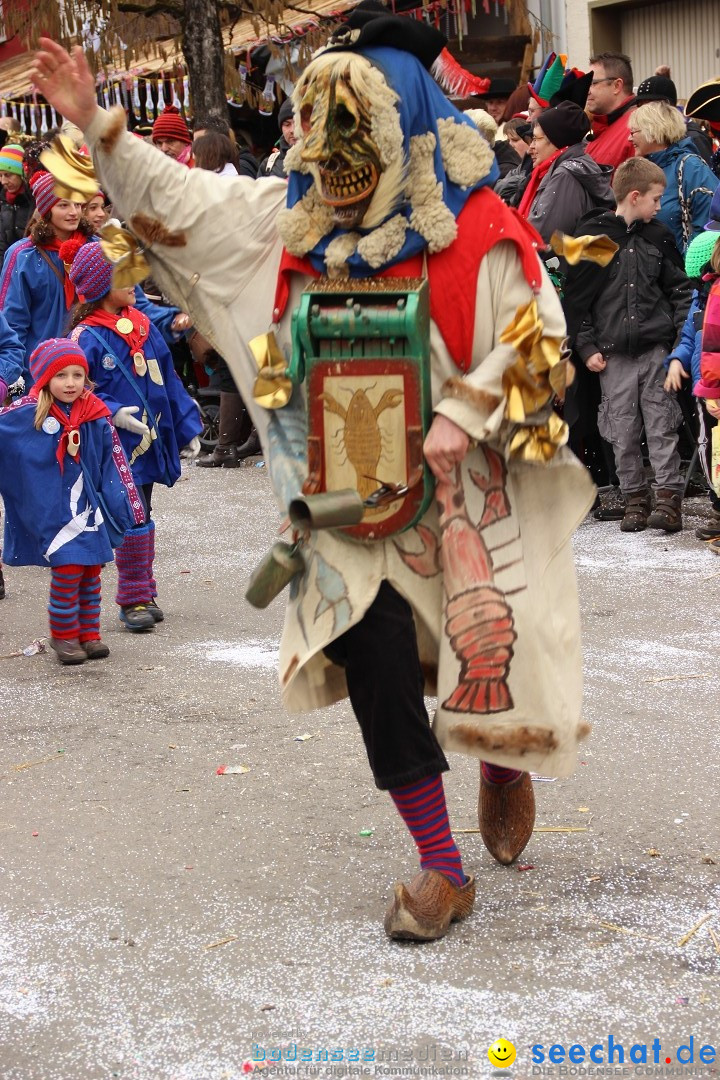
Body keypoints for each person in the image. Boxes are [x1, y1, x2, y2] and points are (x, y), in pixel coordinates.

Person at [33, 19, 594, 942]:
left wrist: (468, 408)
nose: (330, 162)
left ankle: (500, 758)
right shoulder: (280, 222)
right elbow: (182, 198)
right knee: (372, 659)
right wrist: (100, 124)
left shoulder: (481, 230)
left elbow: (544, 339)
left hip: (464, 494)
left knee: (491, 653)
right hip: (343, 504)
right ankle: (440, 868)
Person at [64, 242, 203, 630]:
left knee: (145, 510)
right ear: (101, 284)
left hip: (148, 441)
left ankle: (145, 588)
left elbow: (168, 379)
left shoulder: (141, 324)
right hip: (114, 444)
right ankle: (133, 599)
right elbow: (77, 388)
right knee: (132, 515)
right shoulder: (85, 337)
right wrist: (111, 412)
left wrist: (187, 424)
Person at [568, 157, 692, 533]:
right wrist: (586, 348)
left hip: (655, 353)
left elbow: (681, 292)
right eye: (655, 199)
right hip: (611, 356)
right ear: (634, 197)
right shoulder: (595, 238)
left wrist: (677, 344)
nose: (659, 207)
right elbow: (578, 302)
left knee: (661, 425)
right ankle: (634, 497)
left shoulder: (658, 237)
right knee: (620, 430)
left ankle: (668, 498)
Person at [0, 338, 141, 662]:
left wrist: (118, 500)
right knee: (67, 571)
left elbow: (110, 460)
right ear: (45, 377)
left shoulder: (94, 413)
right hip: (52, 510)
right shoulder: (28, 412)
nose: (70, 383)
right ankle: (63, 637)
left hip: (88, 508)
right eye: (61, 376)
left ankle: (88, 634)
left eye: (78, 375)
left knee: (92, 571)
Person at [0, 170, 92, 380]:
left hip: (92, 368)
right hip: (41, 372)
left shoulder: (95, 248)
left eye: (77, 204)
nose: (74, 212)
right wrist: (17, 378)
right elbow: (12, 322)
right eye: (63, 205)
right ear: (46, 209)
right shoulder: (23, 255)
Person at [665, 230, 720, 543]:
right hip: (704, 392)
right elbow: (687, 339)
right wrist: (676, 361)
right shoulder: (699, 304)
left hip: (717, 387)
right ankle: (717, 505)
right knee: (710, 449)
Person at [518, 101, 614, 245]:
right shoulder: (563, 169)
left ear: (557, 141)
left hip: (555, 265)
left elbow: (543, 234)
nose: (530, 147)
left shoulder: (565, 175)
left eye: (536, 139)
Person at [629, 101, 718, 253]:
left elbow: (709, 225)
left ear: (653, 130)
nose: (629, 139)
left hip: (683, 272)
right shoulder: (644, 168)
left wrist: (687, 266)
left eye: (633, 132)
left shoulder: (691, 167)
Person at [635, 75, 713, 164]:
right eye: (639, 106)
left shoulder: (693, 138)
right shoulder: (653, 139)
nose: (642, 112)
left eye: (647, 106)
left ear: (667, 107)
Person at [585, 51, 636, 174]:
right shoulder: (601, 126)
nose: (587, 90)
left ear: (617, 86)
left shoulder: (636, 129)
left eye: (593, 83)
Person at [193, 115, 258, 179]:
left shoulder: (237, 175)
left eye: (200, 143)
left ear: (217, 145)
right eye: (194, 144)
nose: (193, 152)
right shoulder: (210, 176)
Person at [0, 144, 34, 260]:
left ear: (21, 174)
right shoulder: (3, 202)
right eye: (0, 175)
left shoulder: (33, 201)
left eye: (8, 175)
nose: (3, 181)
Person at [494, 118, 533, 207]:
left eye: (515, 140)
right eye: (508, 140)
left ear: (529, 140)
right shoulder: (517, 166)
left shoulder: (509, 167)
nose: (510, 144)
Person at [257, 99, 297, 179]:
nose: (293, 130)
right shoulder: (268, 165)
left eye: (297, 123)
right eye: (287, 124)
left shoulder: (320, 162)